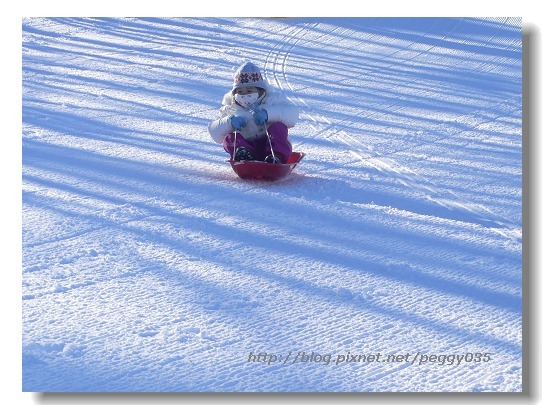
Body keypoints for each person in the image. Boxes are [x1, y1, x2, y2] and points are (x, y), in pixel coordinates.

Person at [208, 61, 299, 164]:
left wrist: (268, 114)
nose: (245, 95)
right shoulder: (230, 108)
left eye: (249, 91)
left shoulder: (272, 100)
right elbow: (214, 133)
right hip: (246, 147)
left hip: (270, 144)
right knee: (230, 138)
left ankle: (275, 157)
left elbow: (293, 115)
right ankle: (244, 155)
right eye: (240, 92)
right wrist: (229, 122)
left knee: (278, 127)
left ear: (260, 90)